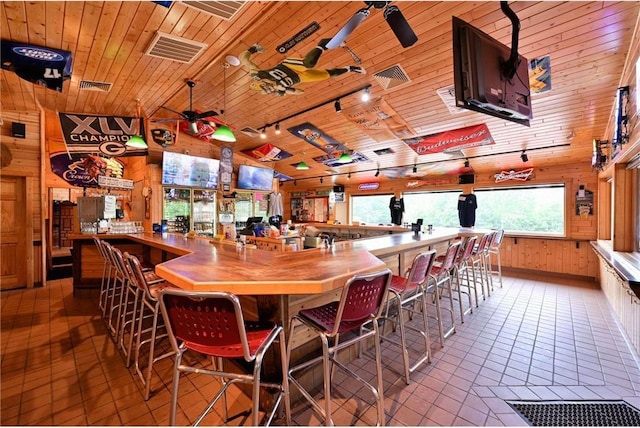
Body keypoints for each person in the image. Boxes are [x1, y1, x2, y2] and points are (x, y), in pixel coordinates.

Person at [239, 38, 365, 96]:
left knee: (308, 64)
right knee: (328, 75)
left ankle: (323, 44)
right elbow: (301, 92)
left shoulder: (258, 74)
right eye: (268, 88)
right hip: (300, 78)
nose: (269, 85)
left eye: (265, 85)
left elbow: (243, 59)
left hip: (288, 66)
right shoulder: (278, 90)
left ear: (260, 80)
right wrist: (284, 89)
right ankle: (350, 68)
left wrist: (253, 49)